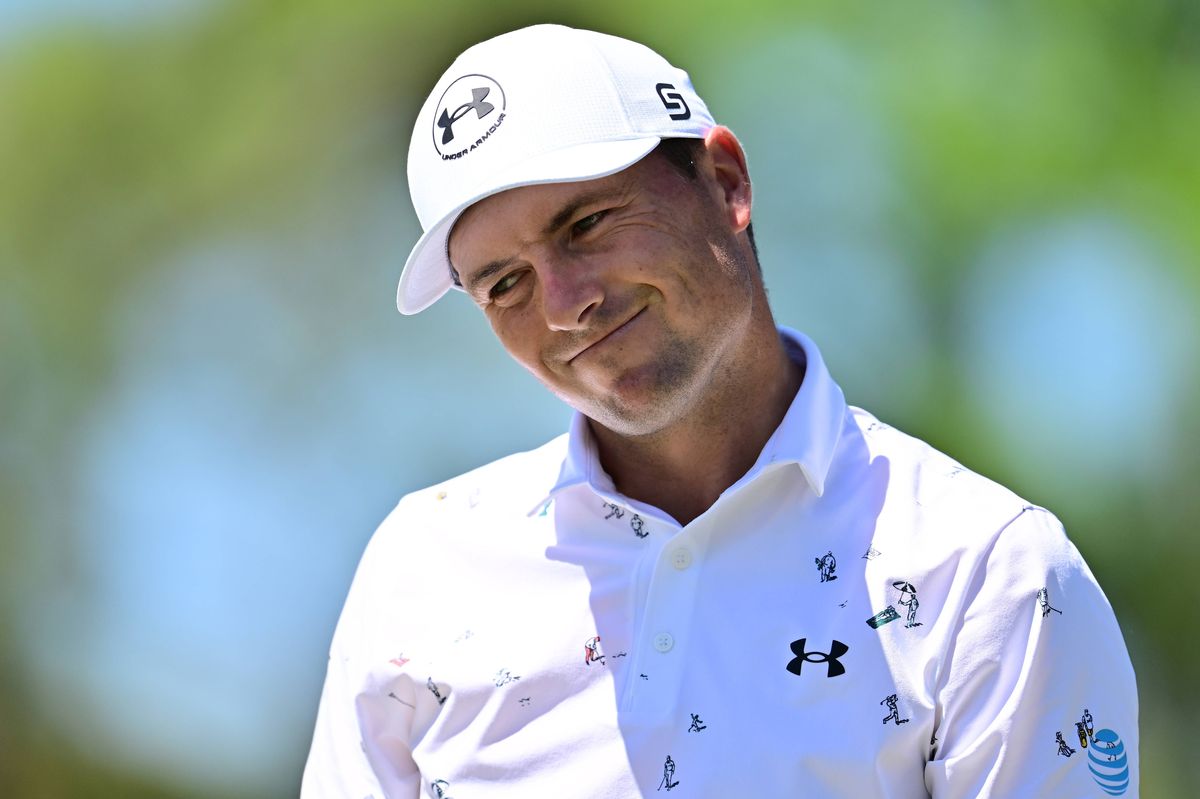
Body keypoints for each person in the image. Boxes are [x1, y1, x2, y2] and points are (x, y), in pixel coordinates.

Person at [302, 24, 1138, 798]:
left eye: (588, 225)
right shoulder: (423, 568)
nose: (563, 305)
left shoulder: (985, 573)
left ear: (726, 182)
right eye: (505, 284)